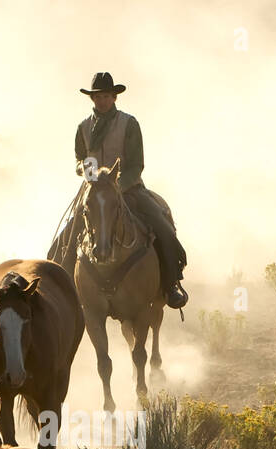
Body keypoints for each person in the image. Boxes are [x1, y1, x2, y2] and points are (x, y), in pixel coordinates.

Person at [60, 71, 188, 309]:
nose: (103, 101)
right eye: (98, 97)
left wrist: (115, 187)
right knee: (63, 240)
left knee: (164, 229)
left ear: (114, 98)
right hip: (93, 193)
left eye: (107, 96)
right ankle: (62, 292)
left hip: (129, 189)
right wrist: (85, 170)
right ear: (92, 99)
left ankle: (170, 284)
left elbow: (136, 164)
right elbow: (79, 158)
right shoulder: (83, 127)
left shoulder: (129, 123)